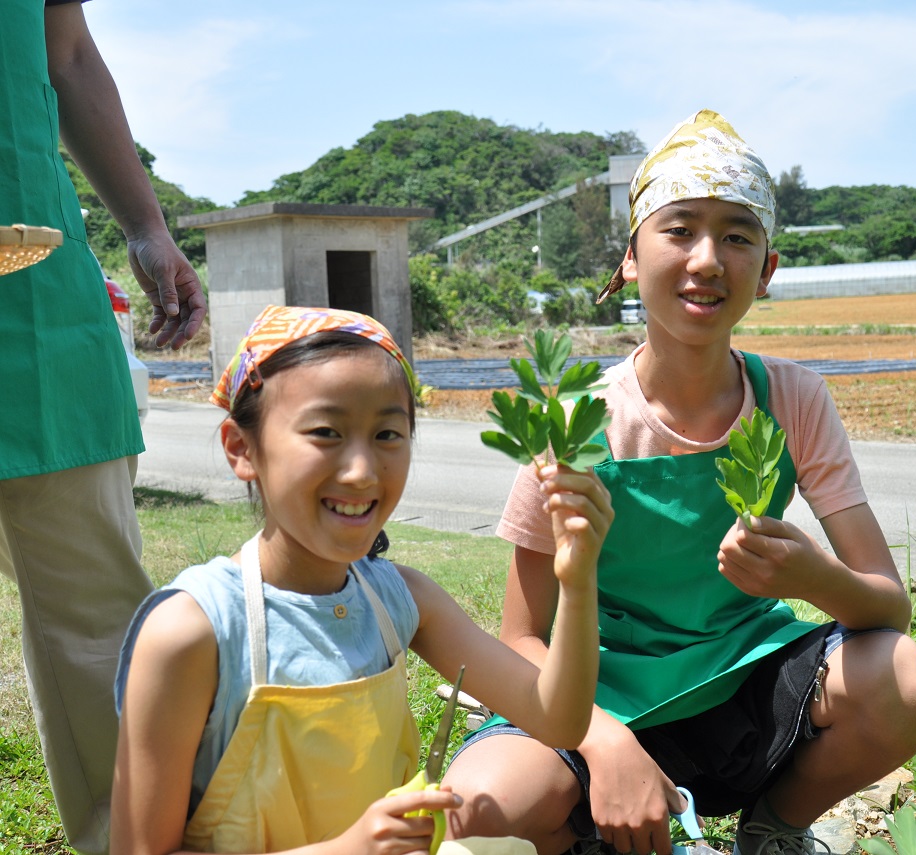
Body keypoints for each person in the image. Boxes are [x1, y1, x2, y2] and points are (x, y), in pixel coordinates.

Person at [442, 110, 916, 855]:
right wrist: (604, 742)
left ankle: (775, 827)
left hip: (745, 684)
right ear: (630, 259)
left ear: (766, 271)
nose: (707, 259)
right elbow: (521, 637)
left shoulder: (793, 399)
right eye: (679, 230)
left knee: (901, 678)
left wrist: (813, 576)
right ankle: (596, 829)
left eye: (737, 236)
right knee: (480, 808)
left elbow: (888, 607)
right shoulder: (574, 420)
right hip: (595, 696)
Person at [110, 305, 613, 854]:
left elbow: (558, 721)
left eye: (387, 434)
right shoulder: (190, 631)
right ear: (242, 448)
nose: (361, 471)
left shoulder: (402, 599)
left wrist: (577, 582)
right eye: (326, 432)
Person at [0, 2, 207, 852]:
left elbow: (69, 52)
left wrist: (148, 227)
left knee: (100, 631)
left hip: (37, 297)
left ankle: (135, 841)